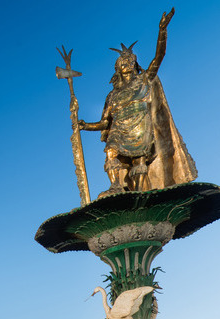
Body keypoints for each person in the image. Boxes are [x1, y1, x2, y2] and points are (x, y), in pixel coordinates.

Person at [77, 9, 196, 197]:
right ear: (117, 67)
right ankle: (115, 186)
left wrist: (162, 31)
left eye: (130, 60)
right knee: (111, 151)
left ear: (134, 63)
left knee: (139, 160)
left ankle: (139, 192)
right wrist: (84, 125)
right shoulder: (112, 95)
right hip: (119, 128)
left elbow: (159, 57)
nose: (126, 63)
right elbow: (105, 123)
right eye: (122, 61)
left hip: (141, 125)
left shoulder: (143, 80)